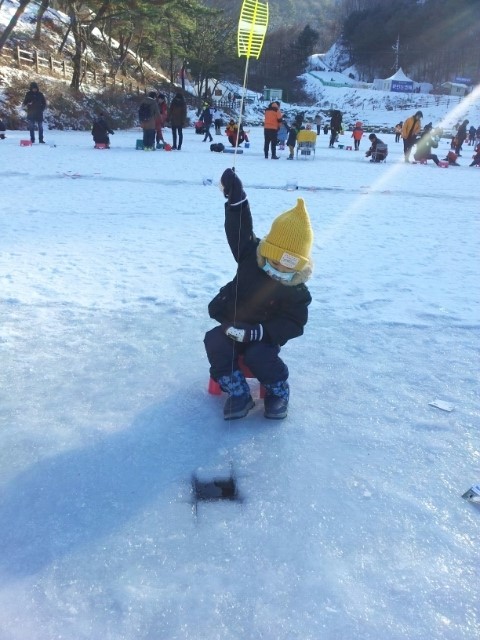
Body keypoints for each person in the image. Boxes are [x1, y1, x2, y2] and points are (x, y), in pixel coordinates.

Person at [204, 168, 313, 420]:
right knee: (214, 340)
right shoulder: (250, 256)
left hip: (263, 337)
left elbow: (294, 324)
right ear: (267, 253)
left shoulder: (296, 290)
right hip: (233, 325)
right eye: (275, 264)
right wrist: (236, 200)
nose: (278, 272)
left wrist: (260, 332)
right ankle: (237, 390)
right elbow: (239, 230)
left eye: (288, 268)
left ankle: (277, 389)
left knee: (258, 355)